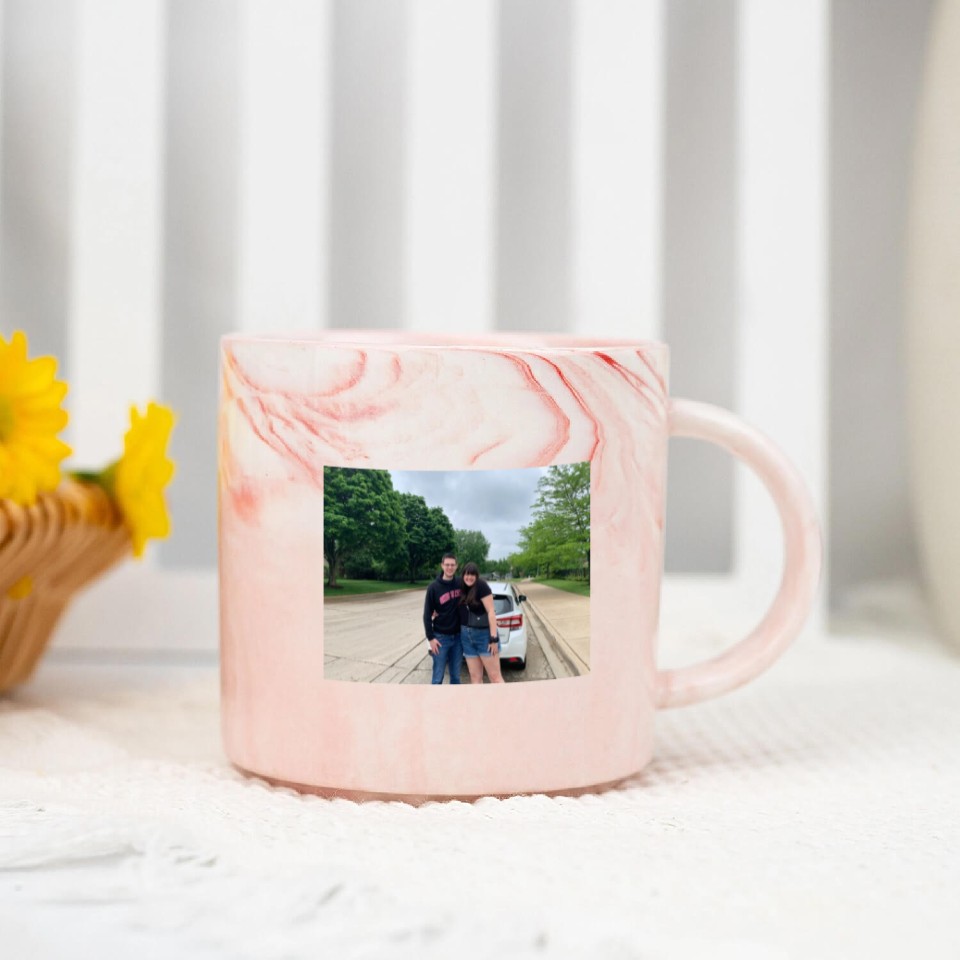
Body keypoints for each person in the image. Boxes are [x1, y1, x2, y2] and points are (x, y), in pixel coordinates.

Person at [458, 562, 504, 684]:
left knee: (495, 677)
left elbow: (491, 612)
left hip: (484, 636)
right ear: (463, 575)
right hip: (466, 637)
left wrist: (493, 639)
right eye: (467, 574)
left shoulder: (482, 586)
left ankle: (505, 697)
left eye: (472, 575)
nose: (469, 577)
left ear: (476, 576)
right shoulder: (461, 587)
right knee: (475, 677)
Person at [423, 553, 463, 684]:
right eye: (447, 565)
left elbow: (475, 588)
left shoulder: (460, 583)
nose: (450, 567)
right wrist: (431, 638)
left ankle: (454, 698)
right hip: (440, 638)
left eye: (452, 565)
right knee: (437, 678)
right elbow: (427, 614)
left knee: (456, 676)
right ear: (442, 565)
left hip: (458, 638)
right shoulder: (433, 587)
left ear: (456, 566)